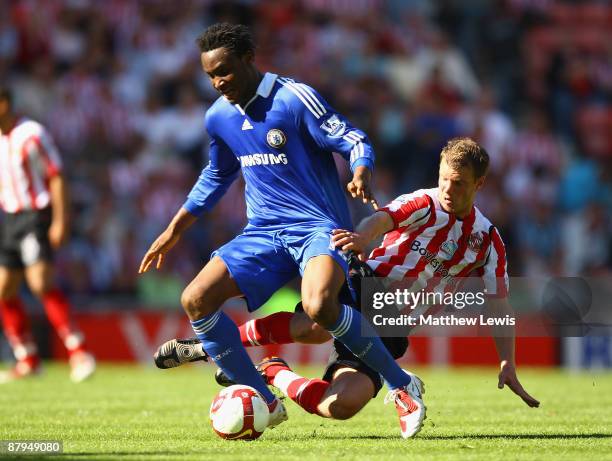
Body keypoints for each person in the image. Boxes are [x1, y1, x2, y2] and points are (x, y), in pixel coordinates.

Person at [138, 23, 424, 437]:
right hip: (264, 231)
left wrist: (361, 170)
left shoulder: (293, 98)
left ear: (248, 59)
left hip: (317, 228)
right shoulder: (219, 117)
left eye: (225, 71)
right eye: (210, 76)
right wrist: (175, 229)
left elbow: (352, 137)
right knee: (196, 299)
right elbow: (215, 176)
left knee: (319, 308)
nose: (218, 83)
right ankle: (266, 401)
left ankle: (403, 386)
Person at [155, 137, 540, 428]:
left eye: (458, 184)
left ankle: (272, 370)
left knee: (340, 407)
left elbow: (499, 305)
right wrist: (361, 238)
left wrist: (507, 360)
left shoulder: (488, 242)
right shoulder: (426, 203)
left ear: (480, 184)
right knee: (315, 321)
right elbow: (383, 219)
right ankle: (212, 346)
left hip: (392, 324)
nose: (447, 190)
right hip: (368, 281)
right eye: (444, 180)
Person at [0, 85, 95, 383]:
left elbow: (57, 175)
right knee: (3, 290)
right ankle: (26, 358)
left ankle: (79, 352)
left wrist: (60, 221)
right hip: (10, 219)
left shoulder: (32, 134)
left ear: (4, 104)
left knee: (40, 282)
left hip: (35, 216)